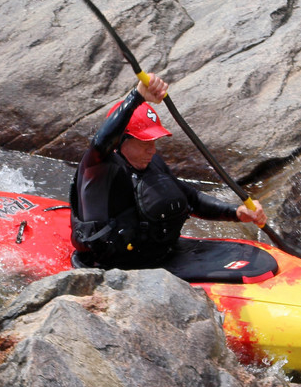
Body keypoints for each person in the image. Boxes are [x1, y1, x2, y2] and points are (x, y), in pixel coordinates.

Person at [70, 74, 268, 271]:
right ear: (120, 141)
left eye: (154, 142)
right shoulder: (98, 168)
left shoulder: (151, 163)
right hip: (114, 268)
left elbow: (192, 199)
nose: (152, 150)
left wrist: (236, 212)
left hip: (163, 255)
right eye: (144, 143)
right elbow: (100, 142)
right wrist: (137, 96)